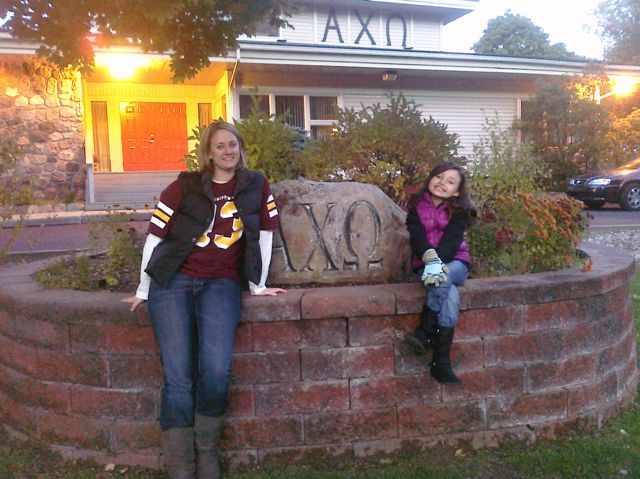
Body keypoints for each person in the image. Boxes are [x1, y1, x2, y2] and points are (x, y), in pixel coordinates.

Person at [123, 120, 286, 479]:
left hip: (221, 283)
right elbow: (154, 237)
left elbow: (264, 235)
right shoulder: (184, 187)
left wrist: (257, 284)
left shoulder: (255, 184)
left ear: (240, 148)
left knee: (216, 371)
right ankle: (182, 466)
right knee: (178, 377)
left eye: (233, 145)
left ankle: (207, 452)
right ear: (208, 153)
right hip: (174, 281)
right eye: (220, 146)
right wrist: (143, 288)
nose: (228, 151)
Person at [404, 162, 475, 385]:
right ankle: (440, 361)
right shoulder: (416, 206)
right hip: (425, 264)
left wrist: (438, 263)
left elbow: (451, 244)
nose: (442, 183)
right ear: (431, 178)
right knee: (450, 296)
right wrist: (431, 261)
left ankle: (425, 330)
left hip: (456, 264)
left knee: (442, 277)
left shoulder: (459, 211)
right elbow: (418, 239)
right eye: (439, 177)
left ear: (456, 191)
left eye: (450, 182)